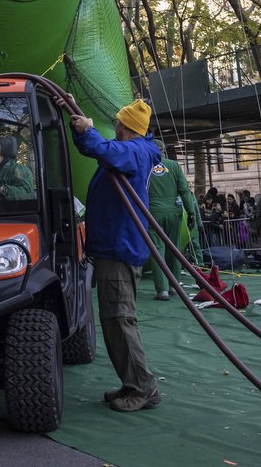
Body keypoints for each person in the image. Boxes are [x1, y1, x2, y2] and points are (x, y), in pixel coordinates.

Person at [68, 99, 162, 413]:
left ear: (125, 127)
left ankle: (142, 387)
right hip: (113, 246)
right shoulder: (132, 152)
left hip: (120, 247)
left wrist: (91, 132)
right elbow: (100, 151)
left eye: (119, 124)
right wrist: (82, 133)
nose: (116, 128)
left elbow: (109, 152)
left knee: (121, 319)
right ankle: (132, 382)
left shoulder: (136, 151)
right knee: (113, 320)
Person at [146, 152, 196, 299]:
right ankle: (175, 285)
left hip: (152, 212)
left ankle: (162, 290)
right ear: (163, 150)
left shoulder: (145, 164)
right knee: (174, 248)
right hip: (174, 212)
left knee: (157, 249)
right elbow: (184, 190)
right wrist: (191, 212)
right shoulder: (174, 165)